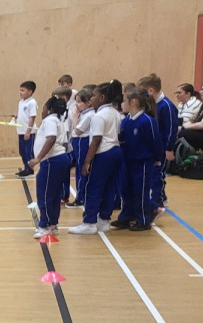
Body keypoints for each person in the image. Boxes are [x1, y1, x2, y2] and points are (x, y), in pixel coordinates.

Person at [70, 80, 124, 236]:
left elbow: (96, 140)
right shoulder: (115, 113)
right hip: (115, 151)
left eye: (94, 96)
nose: (91, 98)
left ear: (102, 98)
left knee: (93, 187)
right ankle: (104, 220)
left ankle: (89, 222)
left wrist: (87, 161)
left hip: (103, 153)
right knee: (109, 187)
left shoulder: (99, 116)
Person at [112, 87, 163, 232]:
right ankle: (126, 216)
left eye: (124, 101)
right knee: (126, 189)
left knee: (140, 191)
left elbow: (155, 141)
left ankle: (143, 219)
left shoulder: (147, 121)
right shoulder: (126, 121)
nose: (122, 104)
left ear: (133, 102)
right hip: (127, 161)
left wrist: (157, 158)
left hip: (142, 162)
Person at [27, 95, 71, 237]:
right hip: (59, 159)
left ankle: (44, 226)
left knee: (44, 193)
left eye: (44, 107)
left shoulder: (50, 120)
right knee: (54, 194)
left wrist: (38, 158)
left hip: (52, 160)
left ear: (50, 109)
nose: (42, 111)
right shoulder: (58, 120)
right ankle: (53, 224)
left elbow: (51, 138)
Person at [139, 74, 178, 211]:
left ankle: (158, 201)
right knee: (154, 174)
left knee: (157, 174)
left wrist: (169, 148)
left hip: (163, 148)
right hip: (154, 147)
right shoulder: (152, 105)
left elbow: (172, 128)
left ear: (150, 90)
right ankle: (161, 196)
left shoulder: (166, 106)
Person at [66, 86, 96, 208]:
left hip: (82, 142)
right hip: (78, 142)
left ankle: (81, 197)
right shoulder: (85, 113)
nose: (77, 105)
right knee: (79, 169)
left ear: (89, 102)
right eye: (76, 102)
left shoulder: (89, 115)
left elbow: (78, 130)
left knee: (81, 169)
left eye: (79, 102)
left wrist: (75, 117)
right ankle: (81, 195)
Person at [12, 80, 38, 177]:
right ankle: (26, 168)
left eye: (23, 90)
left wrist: (28, 131)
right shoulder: (21, 102)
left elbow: (32, 117)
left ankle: (30, 170)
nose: (20, 92)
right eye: (20, 90)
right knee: (22, 151)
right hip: (21, 131)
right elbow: (23, 115)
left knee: (28, 151)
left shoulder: (32, 103)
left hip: (29, 132)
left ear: (30, 92)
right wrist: (17, 116)